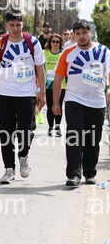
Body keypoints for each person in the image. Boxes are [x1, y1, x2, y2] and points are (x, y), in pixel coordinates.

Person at [0, 10, 45, 184]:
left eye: (18, 24)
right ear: (6, 25)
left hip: (27, 94)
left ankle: (23, 156)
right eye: (11, 25)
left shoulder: (32, 42)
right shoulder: (0, 44)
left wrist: (41, 91)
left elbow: (40, 67)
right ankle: (9, 169)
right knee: (6, 133)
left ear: (22, 24)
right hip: (5, 94)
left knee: (27, 131)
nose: (15, 28)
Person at [53, 20, 110, 186]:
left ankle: (90, 173)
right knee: (74, 137)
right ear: (74, 35)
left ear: (90, 32)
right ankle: (73, 175)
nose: (81, 36)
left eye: (84, 32)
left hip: (97, 101)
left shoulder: (103, 51)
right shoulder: (68, 52)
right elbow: (58, 78)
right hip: (74, 100)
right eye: (77, 33)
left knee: (93, 139)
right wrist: (56, 102)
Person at [43, 33, 65, 137]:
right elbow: (41, 68)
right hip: (48, 84)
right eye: (53, 41)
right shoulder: (45, 53)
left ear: (60, 43)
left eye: (57, 42)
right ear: (50, 42)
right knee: (50, 106)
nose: (55, 43)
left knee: (59, 105)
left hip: (61, 84)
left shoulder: (63, 54)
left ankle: (57, 127)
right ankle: (50, 127)